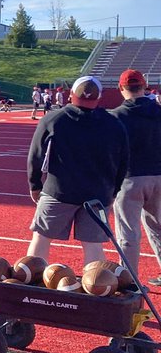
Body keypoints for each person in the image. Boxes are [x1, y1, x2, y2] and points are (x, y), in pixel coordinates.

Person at [25, 75, 129, 266]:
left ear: (72, 94)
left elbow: (36, 155)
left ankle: (31, 284)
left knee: (41, 238)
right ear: (99, 98)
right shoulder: (114, 124)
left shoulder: (54, 119)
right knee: (93, 246)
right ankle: (96, 288)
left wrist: (35, 184)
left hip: (59, 191)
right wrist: (113, 191)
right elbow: (123, 162)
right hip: (98, 194)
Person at [109, 69, 161, 286]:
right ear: (144, 86)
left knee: (128, 235)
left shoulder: (116, 116)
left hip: (129, 180)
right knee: (158, 227)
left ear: (121, 89)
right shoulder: (158, 111)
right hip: (159, 176)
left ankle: (130, 282)